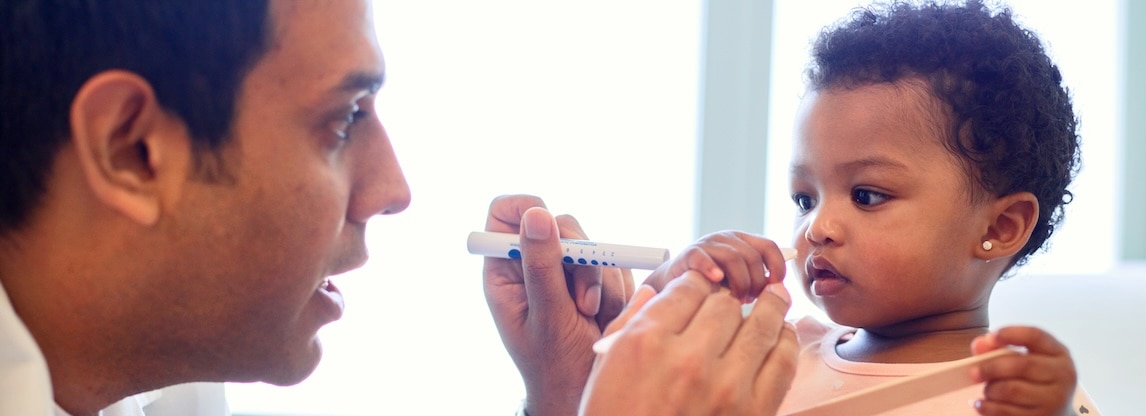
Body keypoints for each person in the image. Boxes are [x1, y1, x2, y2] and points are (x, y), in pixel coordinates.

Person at [0, 1, 797, 415]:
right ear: (131, 151)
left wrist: (563, 403)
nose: (394, 191)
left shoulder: (162, 374)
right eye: (343, 120)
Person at [617, 1, 1099, 415]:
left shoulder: (1018, 396)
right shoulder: (774, 354)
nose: (818, 227)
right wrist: (671, 292)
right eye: (805, 199)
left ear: (1001, 225)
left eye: (867, 196)